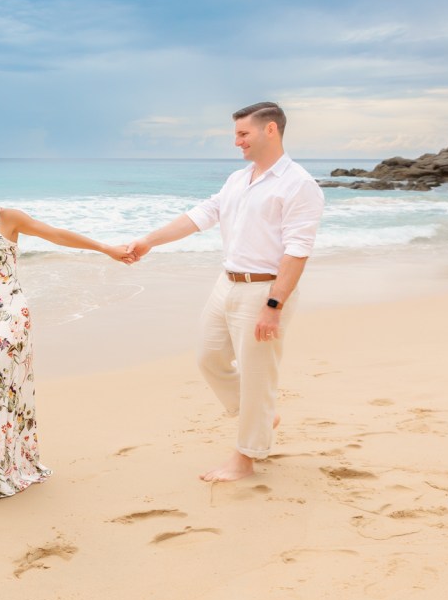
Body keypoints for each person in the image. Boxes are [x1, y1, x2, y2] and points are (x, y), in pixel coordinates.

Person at [128, 102, 325, 482]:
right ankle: (262, 416)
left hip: (265, 290)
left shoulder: (300, 184)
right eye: (236, 134)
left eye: (243, 134)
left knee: (257, 377)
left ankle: (245, 458)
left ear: (270, 130)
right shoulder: (238, 179)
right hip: (227, 284)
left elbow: (298, 251)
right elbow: (200, 215)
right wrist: (149, 241)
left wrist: (274, 305)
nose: (237, 142)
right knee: (208, 357)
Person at [0, 161, 132, 503]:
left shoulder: (8, 218)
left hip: (12, 315)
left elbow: (56, 234)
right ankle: (2, 466)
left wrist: (106, 249)